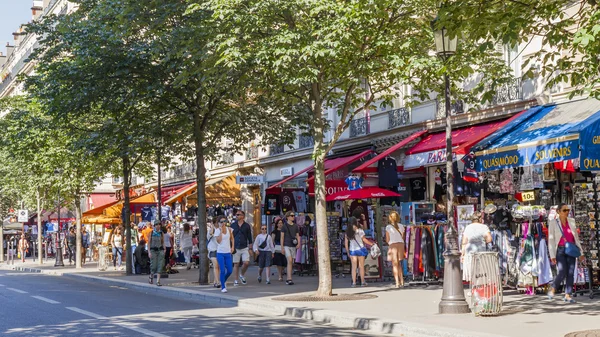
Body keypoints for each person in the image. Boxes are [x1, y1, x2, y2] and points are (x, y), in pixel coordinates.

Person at [548, 203, 584, 303]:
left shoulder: (571, 221)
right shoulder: (553, 223)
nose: (567, 212)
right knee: (562, 271)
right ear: (558, 212)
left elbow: (576, 238)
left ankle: (568, 295)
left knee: (571, 273)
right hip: (560, 250)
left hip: (571, 249)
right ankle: (554, 288)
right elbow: (551, 240)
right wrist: (552, 255)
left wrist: (581, 252)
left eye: (568, 210)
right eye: (564, 210)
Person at [461, 211, 493, 282]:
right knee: (480, 270)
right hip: (480, 250)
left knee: (471, 270)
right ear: (480, 219)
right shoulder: (484, 227)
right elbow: (489, 239)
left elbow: (464, 241)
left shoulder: (468, 227)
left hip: (469, 251)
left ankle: (473, 287)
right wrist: (483, 240)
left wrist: (462, 253)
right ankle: (479, 287)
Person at [344, 217, 370, 287]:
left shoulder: (347, 232)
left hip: (352, 250)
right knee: (361, 266)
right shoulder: (360, 231)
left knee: (354, 267)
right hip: (360, 249)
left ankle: (354, 283)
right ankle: (362, 282)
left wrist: (348, 252)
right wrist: (371, 244)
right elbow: (364, 240)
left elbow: (346, 244)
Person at [230, 210, 253, 286]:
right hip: (236, 247)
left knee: (246, 263)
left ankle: (242, 274)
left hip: (244, 247)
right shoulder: (233, 225)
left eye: (238, 214)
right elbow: (230, 237)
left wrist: (250, 248)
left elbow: (249, 237)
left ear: (243, 216)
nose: (237, 216)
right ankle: (236, 280)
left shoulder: (247, 226)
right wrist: (231, 247)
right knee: (236, 264)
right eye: (236, 215)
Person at [215, 215, 235, 293]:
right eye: (221, 222)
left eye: (224, 221)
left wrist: (232, 247)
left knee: (230, 270)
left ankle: (223, 280)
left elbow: (232, 238)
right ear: (219, 223)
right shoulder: (217, 230)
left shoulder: (229, 229)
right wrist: (220, 231)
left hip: (227, 252)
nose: (223, 223)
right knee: (222, 270)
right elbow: (219, 241)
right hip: (220, 252)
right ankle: (223, 287)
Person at [386, 211, 406, 288]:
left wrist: (389, 243)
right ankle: (402, 281)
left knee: (394, 264)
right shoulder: (402, 226)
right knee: (399, 264)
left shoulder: (388, 227)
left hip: (393, 245)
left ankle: (397, 282)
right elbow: (403, 237)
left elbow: (387, 239)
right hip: (401, 244)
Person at [281, 211, 301, 285]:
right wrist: (282, 247)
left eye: (293, 215)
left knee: (291, 262)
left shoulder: (295, 226)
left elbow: (297, 236)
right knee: (289, 260)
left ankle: (289, 278)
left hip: (293, 245)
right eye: (292, 215)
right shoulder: (284, 226)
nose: (293, 217)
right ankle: (289, 278)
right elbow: (282, 237)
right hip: (286, 245)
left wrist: (299, 243)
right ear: (288, 217)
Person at [148, 222, 165, 286]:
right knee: (153, 265)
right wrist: (149, 252)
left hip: (160, 250)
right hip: (153, 250)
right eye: (156, 225)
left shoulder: (161, 233)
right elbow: (149, 243)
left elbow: (163, 242)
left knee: (160, 265)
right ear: (154, 226)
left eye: (159, 225)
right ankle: (151, 275)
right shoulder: (151, 233)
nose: (158, 226)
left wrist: (164, 249)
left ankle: (158, 281)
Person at [207, 218, 220, 287]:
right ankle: (217, 282)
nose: (219, 224)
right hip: (213, 250)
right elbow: (210, 234)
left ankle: (215, 281)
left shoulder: (222, 230)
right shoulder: (211, 230)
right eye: (218, 222)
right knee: (216, 265)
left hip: (220, 250)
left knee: (219, 266)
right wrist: (212, 226)